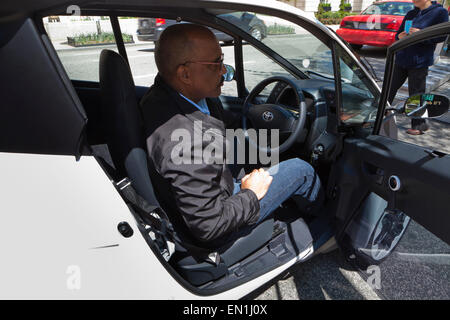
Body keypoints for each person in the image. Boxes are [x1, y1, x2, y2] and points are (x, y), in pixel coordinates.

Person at [140, 24, 323, 247]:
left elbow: (224, 121)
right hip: (220, 221)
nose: (224, 71)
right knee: (300, 169)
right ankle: (319, 229)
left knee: (251, 145)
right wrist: (251, 194)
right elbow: (210, 225)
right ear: (185, 73)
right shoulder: (188, 144)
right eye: (216, 63)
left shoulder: (170, 95)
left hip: (214, 184)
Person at [387, 0, 448, 135]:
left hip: (419, 61)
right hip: (402, 58)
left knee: (416, 94)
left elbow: (442, 35)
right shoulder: (411, 13)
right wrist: (400, 36)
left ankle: (419, 125)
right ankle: (378, 116)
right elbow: (399, 34)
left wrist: (421, 35)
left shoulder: (439, 12)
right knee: (388, 89)